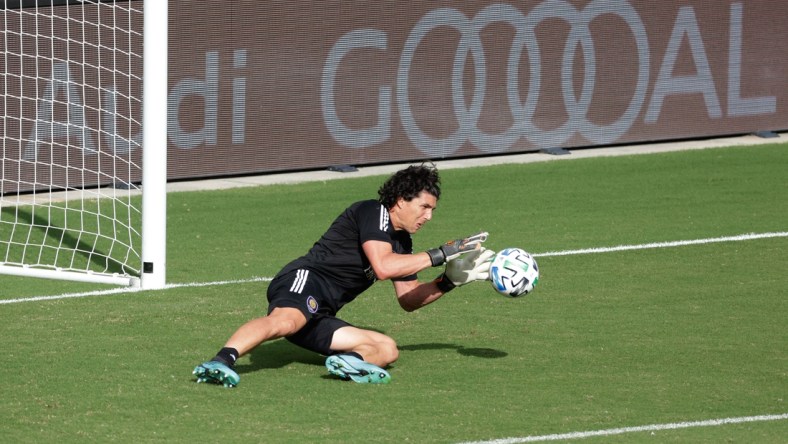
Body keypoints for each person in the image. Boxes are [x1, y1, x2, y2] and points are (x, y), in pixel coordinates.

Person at [193, 164, 494, 386]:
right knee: (287, 320)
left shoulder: (403, 243)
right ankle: (221, 361)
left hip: (322, 311)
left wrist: (448, 281)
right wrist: (440, 254)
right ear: (401, 199)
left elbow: (408, 300)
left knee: (386, 349)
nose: (428, 216)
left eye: (433, 210)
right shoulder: (372, 212)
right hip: (305, 281)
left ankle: (349, 364)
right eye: (424, 207)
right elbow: (383, 267)